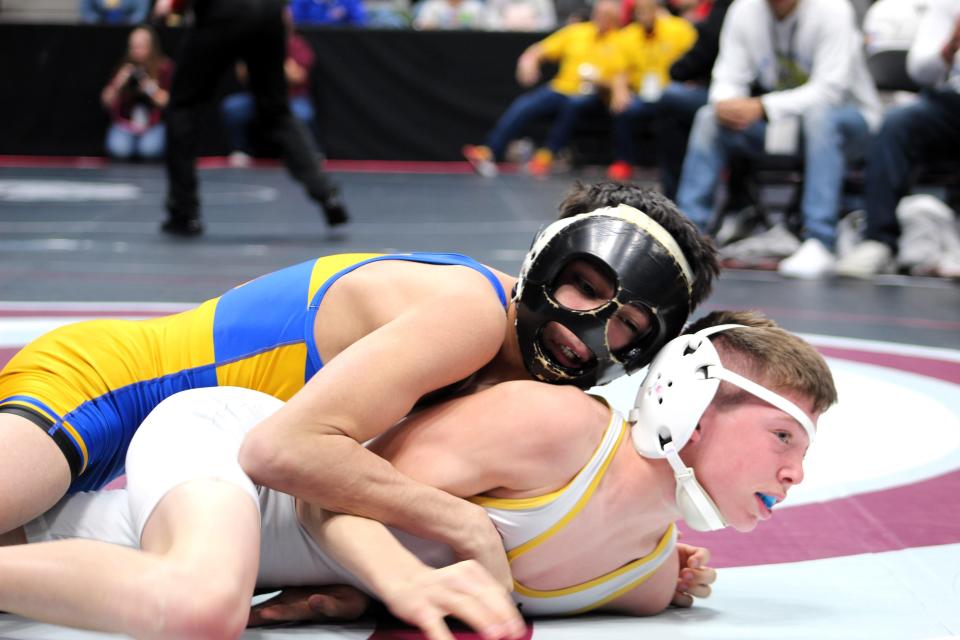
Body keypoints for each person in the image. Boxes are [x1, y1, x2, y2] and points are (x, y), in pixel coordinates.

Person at [0, 183, 719, 586]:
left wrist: (625, 553)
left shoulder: (534, 391)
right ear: (545, 262)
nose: (588, 328)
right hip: (108, 383)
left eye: (624, 323)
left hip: (195, 466)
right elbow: (293, 452)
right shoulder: (472, 313)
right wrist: (462, 523)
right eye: (583, 288)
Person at [0, 309, 832, 639]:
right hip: (235, 455)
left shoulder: (646, 575)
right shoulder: (559, 429)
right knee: (199, 605)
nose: (796, 473)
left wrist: (366, 590)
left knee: (46, 537)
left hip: (241, 539)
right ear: (691, 396)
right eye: (783, 436)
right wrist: (401, 577)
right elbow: (330, 481)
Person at [675, 0, 882, 279]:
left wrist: (762, 106)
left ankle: (820, 239)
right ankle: (688, 238)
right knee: (709, 118)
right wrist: (725, 103)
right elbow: (728, 76)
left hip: (851, 123)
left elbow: (829, 92)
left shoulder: (833, 10)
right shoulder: (744, 9)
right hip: (782, 124)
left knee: (819, 117)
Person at [152, 0, 349, 237]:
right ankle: (327, 194)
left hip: (225, 12)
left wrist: (171, 6)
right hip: (268, 13)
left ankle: (183, 212)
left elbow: (173, 7)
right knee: (277, 112)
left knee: (183, 108)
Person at [835, 0, 960, 278]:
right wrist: (951, 43)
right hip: (952, 102)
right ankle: (878, 240)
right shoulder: (948, 5)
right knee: (897, 123)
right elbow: (920, 72)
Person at [462, 0, 625, 178]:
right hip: (561, 88)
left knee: (576, 104)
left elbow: (624, 78)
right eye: (599, 14)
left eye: (607, 16)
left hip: (597, 95)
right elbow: (539, 50)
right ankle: (490, 151)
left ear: (617, 18)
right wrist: (529, 61)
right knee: (524, 104)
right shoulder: (577, 32)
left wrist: (602, 81)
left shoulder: (623, 40)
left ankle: (547, 155)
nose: (602, 19)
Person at [606, 0, 697, 181]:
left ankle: (682, 166)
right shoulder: (627, 36)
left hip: (671, 93)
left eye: (649, 10)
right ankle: (624, 160)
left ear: (658, 10)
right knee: (624, 110)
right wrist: (619, 91)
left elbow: (695, 58)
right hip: (641, 95)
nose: (645, 15)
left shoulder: (679, 29)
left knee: (676, 110)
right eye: (640, 11)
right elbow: (620, 71)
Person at [220, 9, 320, 167]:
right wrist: (280, 68)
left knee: (303, 114)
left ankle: (310, 154)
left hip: (291, 99)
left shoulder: (297, 44)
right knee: (232, 108)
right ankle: (240, 151)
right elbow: (242, 74)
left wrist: (265, 66)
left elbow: (298, 76)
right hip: (259, 98)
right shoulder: (254, 43)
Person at [100, 26, 173, 162]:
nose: (136, 51)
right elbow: (106, 101)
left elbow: (168, 102)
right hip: (125, 124)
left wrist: (149, 87)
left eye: (141, 46)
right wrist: (119, 82)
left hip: (152, 125)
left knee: (149, 150)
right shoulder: (125, 67)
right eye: (133, 47)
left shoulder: (164, 67)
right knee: (119, 150)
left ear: (151, 47)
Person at [288, 0, 367, 26]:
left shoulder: (349, 2)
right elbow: (295, 21)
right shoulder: (302, 2)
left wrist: (347, 13)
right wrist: (328, 18)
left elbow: (359, 22)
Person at [79, 0, 150, 23]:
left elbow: (141, 12)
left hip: (128, 29)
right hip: (97, 29)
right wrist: (97, 20)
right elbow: (86, 11)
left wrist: (128, 21)